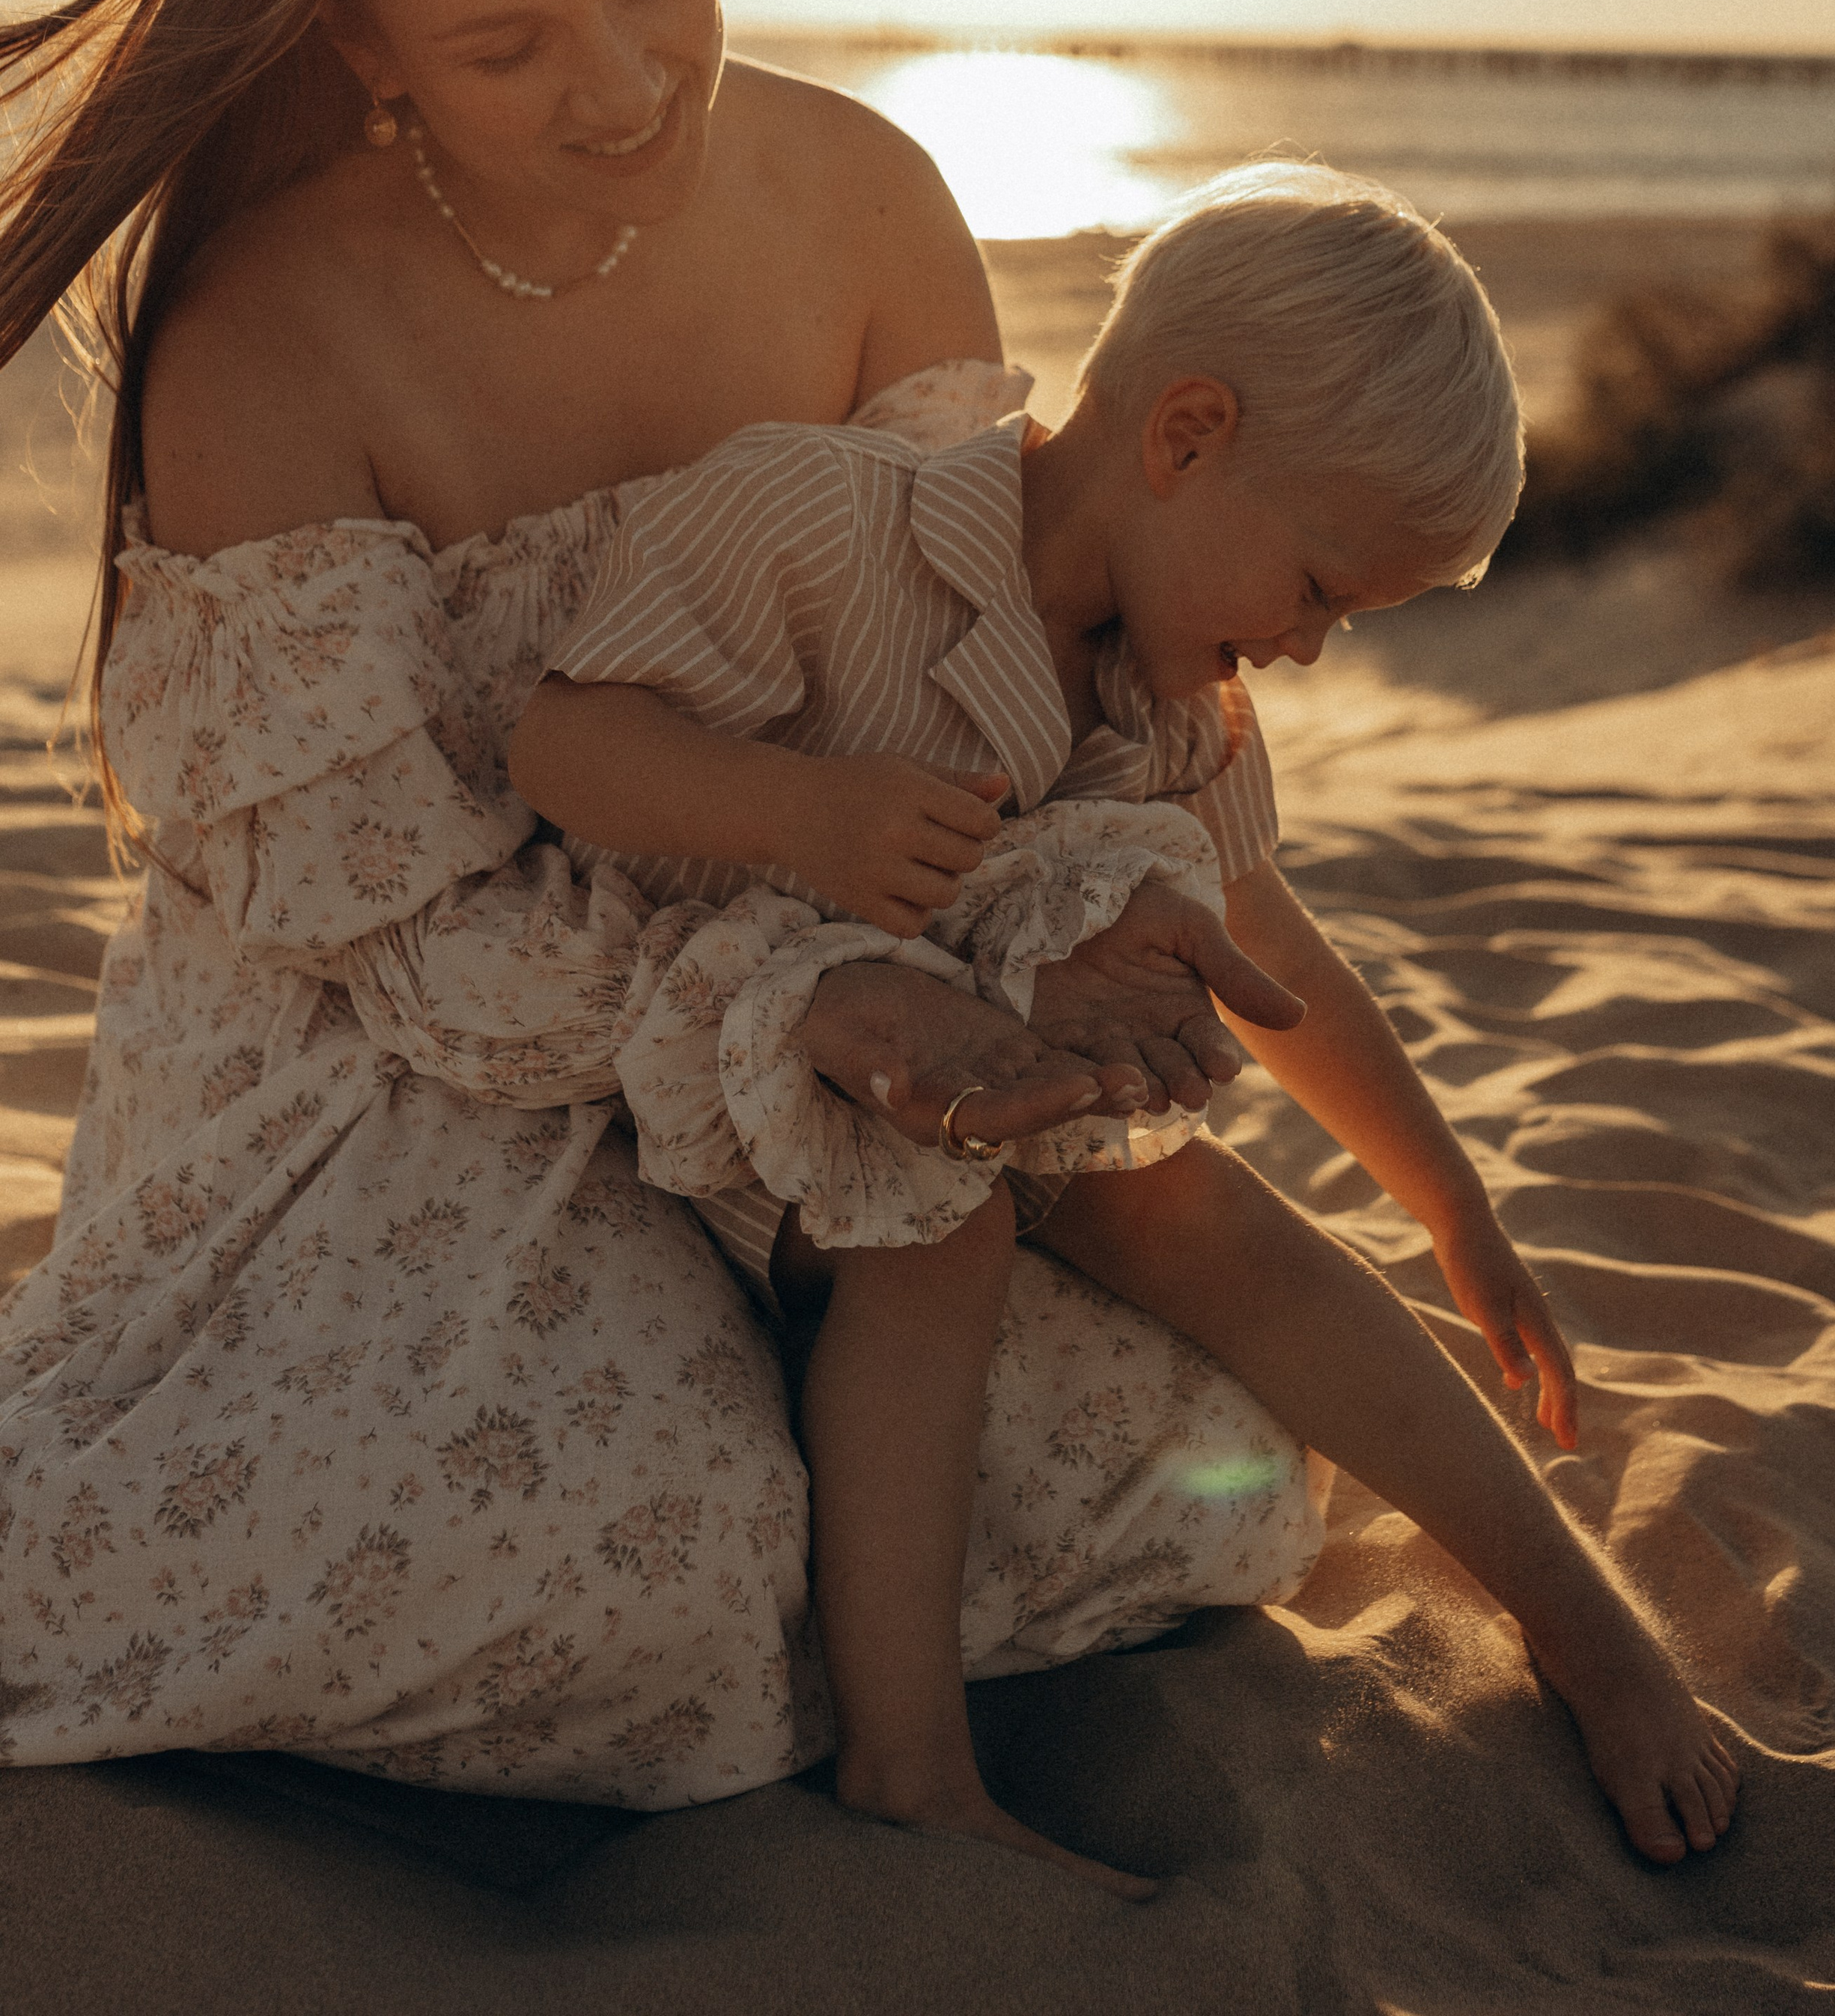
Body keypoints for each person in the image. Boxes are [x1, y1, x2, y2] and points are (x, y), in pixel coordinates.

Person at [0, 0, 1330, 1812]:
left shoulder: (870, 197)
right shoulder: (270, 339)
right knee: (653, 1562)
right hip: (415, 1049)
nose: (622, 89)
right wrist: (768, 994)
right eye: (510, 44)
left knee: (1174, 1477)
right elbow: (406, 933)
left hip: (845, 1002)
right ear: (361, 34)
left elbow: (996, 692)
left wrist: (1048, 938)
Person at [508, 165, 1741, 1889]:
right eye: (1314, 587)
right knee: (931, 1230)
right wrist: (801, 816)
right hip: (734, 1058)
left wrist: (1450, 1201)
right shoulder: (822, 516)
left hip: (997, 1079)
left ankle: (1582, 1629)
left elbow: (1265, 939)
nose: (1304, 652)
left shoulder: (1179, 701)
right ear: (1184, 433)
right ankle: (909, 1769)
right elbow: (556, 745)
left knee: (1204, 1208)